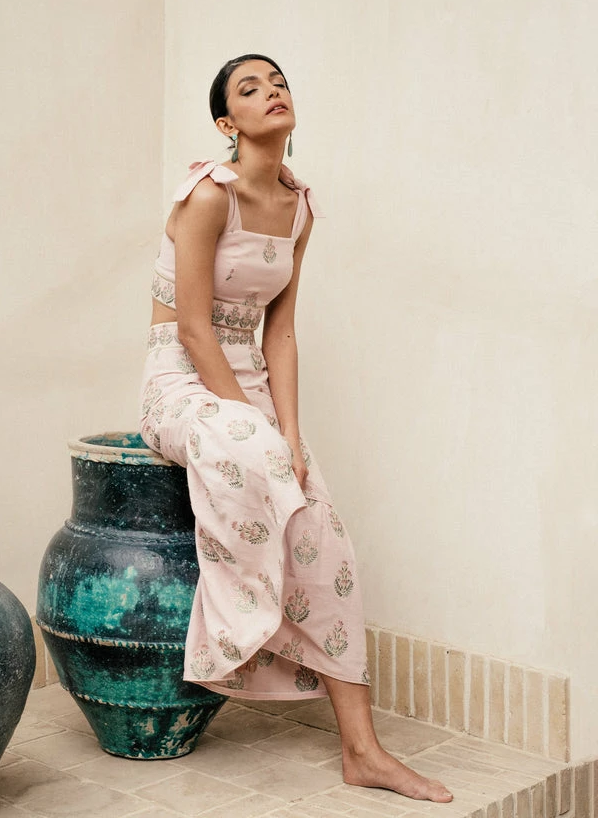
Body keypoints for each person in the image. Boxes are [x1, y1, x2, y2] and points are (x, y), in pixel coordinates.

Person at [139, 55, 452, 803]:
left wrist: (291, 435)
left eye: (277, 82)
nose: (271, 92)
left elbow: (279, 333)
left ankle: (363, 751)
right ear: (227, 122)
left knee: (325, 534)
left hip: (247, 384)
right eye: (249, 89)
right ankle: (234, 640)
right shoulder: (207, 196)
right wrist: (256, 428)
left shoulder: (300, 206)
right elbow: (192, 328)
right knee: (262, 454)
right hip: (180, 381)